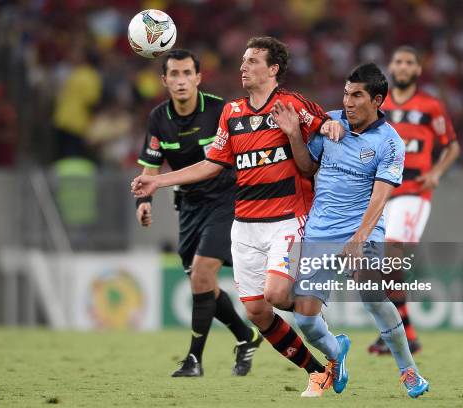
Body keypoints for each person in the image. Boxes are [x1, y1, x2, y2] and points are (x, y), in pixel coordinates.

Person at [133, 37, 344, 397]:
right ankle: (318, 371)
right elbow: (213, 163)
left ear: (273, 69)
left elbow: (320, 138)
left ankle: (314, 312)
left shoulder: (291, 103)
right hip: (244, 225)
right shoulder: (232, 113)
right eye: (243, 61)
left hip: (287, 218)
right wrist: (159, 182)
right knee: (257, 314)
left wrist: (321, 129)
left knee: (277, 295)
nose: (243, 67)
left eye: (252, 61)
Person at [272, 62, 429, 398]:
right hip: (320, 230)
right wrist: (294, 135)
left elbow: (382, 193)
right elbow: (306, 166)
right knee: (306, 318)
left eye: (357, 95)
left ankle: (409, 371)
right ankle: (335, 352)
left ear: (377, 100)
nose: (348, 101)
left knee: (370, 290)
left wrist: (360, 236)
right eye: (346, 93)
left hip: (363, 227)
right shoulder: (329, 124)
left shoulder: (390, 142)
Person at [135, 49, 261, 377]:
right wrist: (143, 203)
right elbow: (150, 168)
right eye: (174, 74)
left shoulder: (220, 111)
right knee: (201, 283)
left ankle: (194, 360)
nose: (180, 81)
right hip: (189, 206)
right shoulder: (158, 119)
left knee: (203, 274)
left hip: (226, 200)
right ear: (164, 81)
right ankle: (245, 337)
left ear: (198, 78)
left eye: (187, 73)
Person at [367, 46, 460, 355]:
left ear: (418, 70)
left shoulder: (430, 106)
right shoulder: (379, 106)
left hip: (415, 191)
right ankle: (402, 332)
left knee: (391, 253)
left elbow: (452, 146)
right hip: (382, 192)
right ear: (391, 67)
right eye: (398, 61)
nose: (403, 67)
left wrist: (436, 171)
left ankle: (400, 333)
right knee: (380, 263)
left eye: (409, 62)